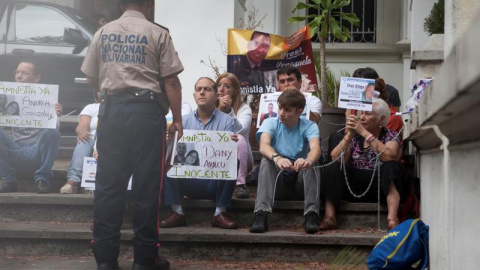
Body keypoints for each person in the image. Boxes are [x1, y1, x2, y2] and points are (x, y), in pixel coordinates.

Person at [80, 0, 183, 269]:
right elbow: (171, 80)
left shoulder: (102, 33)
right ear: (149, 4)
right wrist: (178, 120)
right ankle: (145, 259)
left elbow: (91, 77)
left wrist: (105, 94)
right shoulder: (158, 33)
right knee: (147, 188)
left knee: (108, 187)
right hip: (147, 115)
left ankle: (105, 260)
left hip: (112, 114)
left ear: (120, 4)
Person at [160, 77, 238, 230]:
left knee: (235, 161)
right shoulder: (181, 122)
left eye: (207, 89)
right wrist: (169, 139)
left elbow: (227, 154)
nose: (202, 92)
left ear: (216, 96)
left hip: (213, 184)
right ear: (194, 95)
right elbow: (175, 152)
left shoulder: (227, 122)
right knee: (166, 161)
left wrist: (232, 144)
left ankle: (219, 212)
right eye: (198, 89)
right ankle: (177, 211)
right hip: (187, 182)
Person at [320, 98, 403, 231]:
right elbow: (336, 157)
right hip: (354, 187)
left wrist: (365, 133)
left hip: (379, 187)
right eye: (361, 113)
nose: (362, 118)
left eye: (368, 114)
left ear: (381, 120)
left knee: (391, 166)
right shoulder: (354, 136)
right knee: (333, 166)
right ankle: (330, 217)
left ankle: (392, 218)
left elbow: (389, 155)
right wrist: (348, 135)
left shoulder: (390, 135)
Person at [249, 89, 321, 234]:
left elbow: (315, 148)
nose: (281, 113)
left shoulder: (309, 126)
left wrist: (308, 160)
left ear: (299, 111)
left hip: (300, 180)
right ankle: (261, 213)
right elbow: (264, 145)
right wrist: (277, 158)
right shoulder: (270, 122)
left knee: (313, 164)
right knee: (267, 160)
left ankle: (311, 214)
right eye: (280, 107)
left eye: (287, 110)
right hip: (278, 180)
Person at [0, 59, 62, 194]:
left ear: (37, 78)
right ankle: (8, 180)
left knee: (53, 132)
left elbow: (53, 131)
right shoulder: (9, 97)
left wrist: (55, 115)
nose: (19, 76)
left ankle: (43, 178)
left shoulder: (47, 98)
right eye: (17, 72)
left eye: (24, 73)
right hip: (16, 150)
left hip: (37, 151)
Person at [216, 72, 253, 199]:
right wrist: (219, 111)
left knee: (239, 139)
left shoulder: (244, 109)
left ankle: (240, 184)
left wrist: (229, 112)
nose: (221, 89)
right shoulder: (210, 108)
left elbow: (241, 130)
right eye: (219, 85)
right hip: (215, 157)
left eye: (227, 86)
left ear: (235, 90)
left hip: (240, 158)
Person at [60, 102, 100, 194]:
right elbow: (82, 126)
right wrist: (82, 131)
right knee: (84, 140)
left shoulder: (121, 107)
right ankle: (72, 181)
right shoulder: (91, 107)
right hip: (92, 139)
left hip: (111, 140)